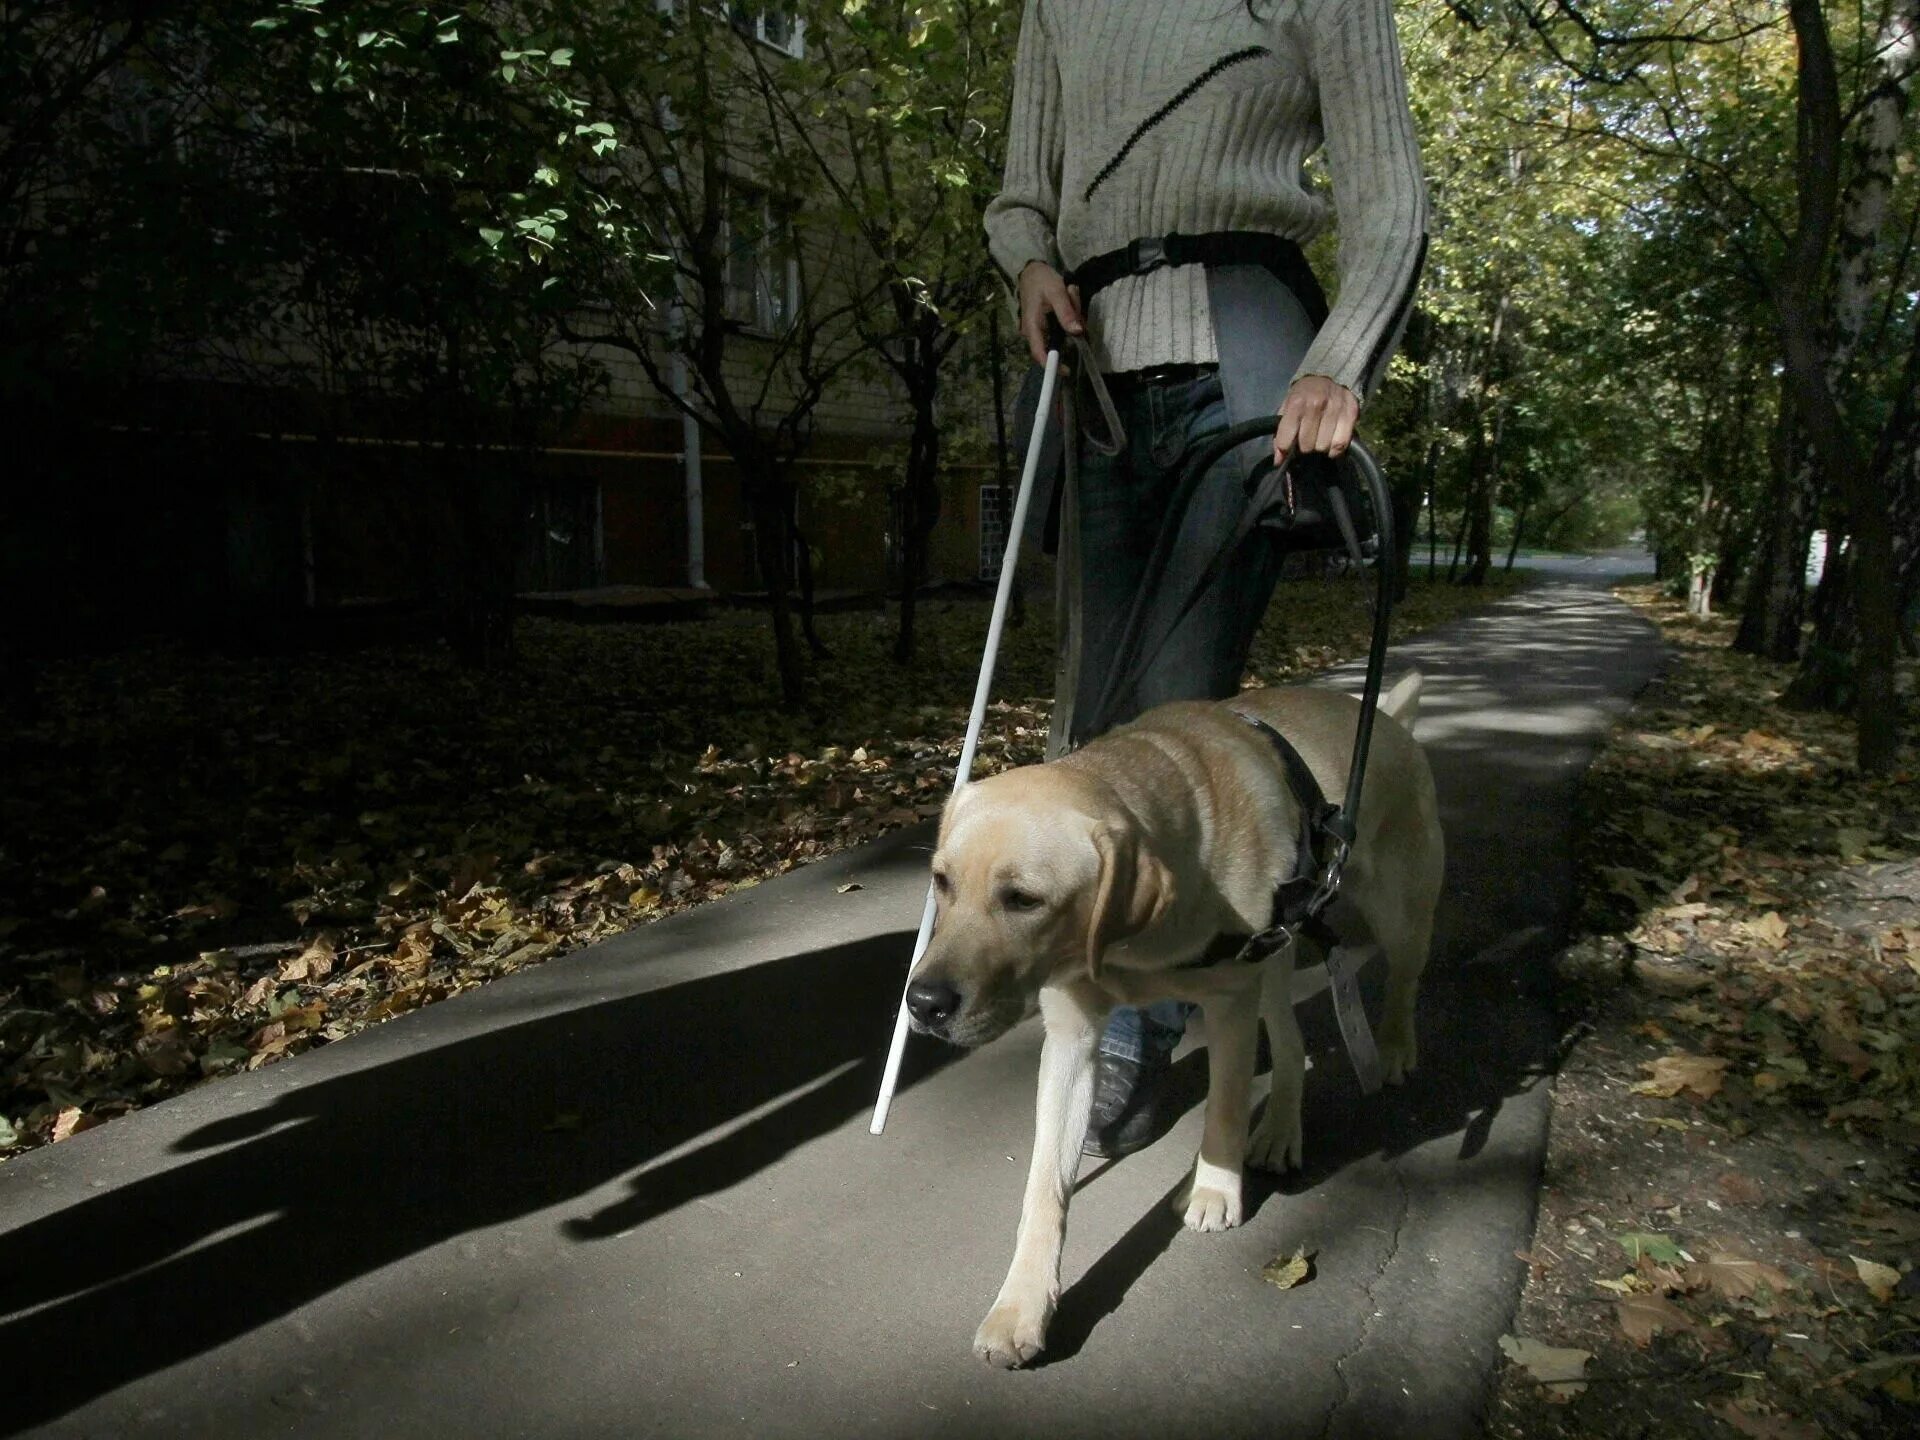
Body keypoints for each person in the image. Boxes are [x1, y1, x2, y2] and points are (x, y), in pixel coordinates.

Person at [982, 0, 1429, 1157]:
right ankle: (1092, 993)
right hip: (1097, 374)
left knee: (1175, 706)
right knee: (1090, 721)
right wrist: (1028, 260)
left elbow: (1391, 201)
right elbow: (1021, 190)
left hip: (1250, 360)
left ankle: (1134, 1025)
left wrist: (1342, 358)